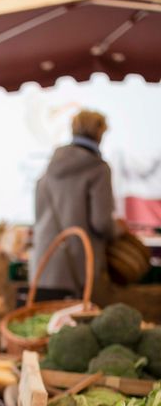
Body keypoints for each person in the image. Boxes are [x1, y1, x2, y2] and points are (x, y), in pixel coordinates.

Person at [32, 109, 124, 300]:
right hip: (78, 268)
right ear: (100, 133)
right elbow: (101, 223)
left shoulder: (50, 166)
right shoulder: (98, 169)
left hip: (44, 264)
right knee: (76, 327)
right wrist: (118, 229)